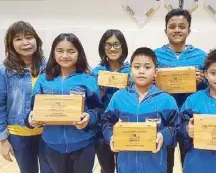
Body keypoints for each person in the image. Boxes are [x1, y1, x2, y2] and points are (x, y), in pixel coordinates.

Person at [27, 33, 103, 173]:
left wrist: (89, 117)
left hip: (83, 143)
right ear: (53, 53)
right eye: (60, 51)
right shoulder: (44, 79)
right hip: (52, 144)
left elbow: (98, 109)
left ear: (79, 53)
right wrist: (31, 119)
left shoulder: (87, 78)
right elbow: (32, 109)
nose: (65, 55)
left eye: (71, 51)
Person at [102, 47, 180, 173]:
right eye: (137, 67)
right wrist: (111, 136)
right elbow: (106, 122)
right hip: (126, 166)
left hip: (156, 167)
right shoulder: (119, 97)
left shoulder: (166, 99)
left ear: (156, 71)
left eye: (147, 67)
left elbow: (177, 127)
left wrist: (163, 136)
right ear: (130, 70)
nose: (141, 71)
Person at [154, 8, 207, 172]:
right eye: (172, 26)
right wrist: (153, 80)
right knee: (164, 162)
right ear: (165, 30)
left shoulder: (201, 56)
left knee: (190, 162)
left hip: (190, 117)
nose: (177, 30)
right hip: (163, 117)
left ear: (189, 30)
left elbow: (210, 86)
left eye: (182, 26)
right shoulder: (155, 56)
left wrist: (202, 81)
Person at [0, 21, 51, 173]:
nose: (25, 42)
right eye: (18, 39)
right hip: (19, 135)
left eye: (29, 37)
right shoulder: (5, 71)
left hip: (47, 133)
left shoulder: (49, 68)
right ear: (11, 44)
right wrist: (2, 140)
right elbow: (0, 106)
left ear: (37, 40)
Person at [92, 29, 130, 173]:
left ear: (123, 47)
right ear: (103, 48)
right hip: (102, 128)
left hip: (125, 125)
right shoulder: (96, 72)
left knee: (124, 166)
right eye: (108, 45)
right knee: (106, 168)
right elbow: (90, 104)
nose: (112, 48)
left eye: (116, 44)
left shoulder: (131, 71)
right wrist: (99, 93)